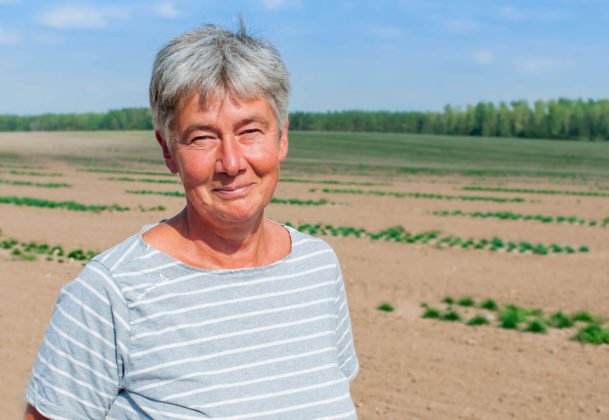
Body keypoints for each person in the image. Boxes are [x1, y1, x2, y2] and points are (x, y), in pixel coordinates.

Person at [25, 22, 359, 419]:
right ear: (168, 150)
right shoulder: (112, 294)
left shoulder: (316, 266)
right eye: (203, 137)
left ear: (282, 138)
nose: (232, 163)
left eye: (250, 131)